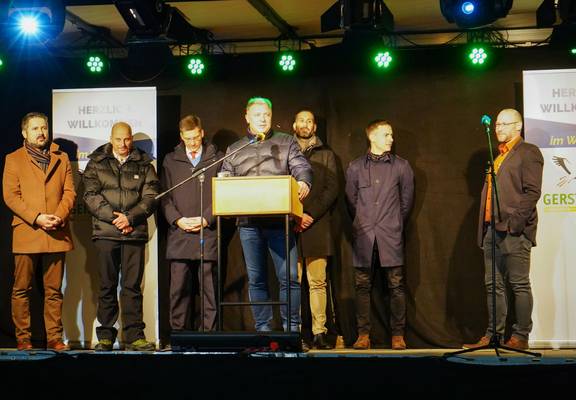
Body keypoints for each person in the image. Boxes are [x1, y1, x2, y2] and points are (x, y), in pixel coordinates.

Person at [221, 97, 312, 333]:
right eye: (257, 115)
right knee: (256, 279)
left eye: (266, 115)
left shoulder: (286, 142)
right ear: (247, 117)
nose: (262, 119)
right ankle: (263, 330)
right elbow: (225, 177)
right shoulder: (235, 148)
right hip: (248, 224)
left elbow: (301, 167)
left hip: (279, 222)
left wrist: (303, 181)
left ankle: (291, 330)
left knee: (289, 277)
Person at [464, 108, 543, 350]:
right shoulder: (498, 156)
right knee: (493, 285)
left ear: (518, 126)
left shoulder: (528, 152)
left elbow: (532, 192)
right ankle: (493, 335)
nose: (498, 128)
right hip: (492, 229)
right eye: (497, 124)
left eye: (504, 124)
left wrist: (515, 224)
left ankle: (520, 336)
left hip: (514, 230)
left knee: (518, 284)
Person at [83, 121, 159, 351]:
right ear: (111, 139)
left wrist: (130, 219)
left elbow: (151, 197)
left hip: (134, 233)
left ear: (131, 139)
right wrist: (116, 219)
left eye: (127, 139)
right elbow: (90, 196)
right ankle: (106, 336)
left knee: (132, 287)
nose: (123, 144)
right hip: (106, 233)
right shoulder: (96, 162)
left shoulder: (145, 163)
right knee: (107, 285)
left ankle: (135, 336)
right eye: (118, 139)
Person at [3, 112, 76, 351]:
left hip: (56, 230)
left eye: (43, 127)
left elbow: (69, 192)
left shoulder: (61, 157)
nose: (41, 132)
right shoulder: (13, 159)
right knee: (21, 289)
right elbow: (11, 196)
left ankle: (54, 338)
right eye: (35, 129)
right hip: (28, 230)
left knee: (54, 290)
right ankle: (23, 338)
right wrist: (37, 218)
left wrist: (59, 216)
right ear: (24, 133)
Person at [345, 119, 414, 350]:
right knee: (362, 285)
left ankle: (398, 335)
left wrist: (393, 223)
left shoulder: (401, 166)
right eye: (386, 135)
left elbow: (406, 202)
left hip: (390, 234)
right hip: (364, 235)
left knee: (396, 285)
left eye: (391, 135)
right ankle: (363, 334)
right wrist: (364, 221)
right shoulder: (355, 167)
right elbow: (351, 200)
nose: (391, 139)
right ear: (372, 137)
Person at [160, 115, 221, 333]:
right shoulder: (171, 160)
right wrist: (178, 220)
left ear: (202, 133)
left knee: (209, 290)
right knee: (178, 290)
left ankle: (209, 335)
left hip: (207, 231)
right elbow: (164, 196)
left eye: (196, 137)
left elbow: (222, 194)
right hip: (180, 232)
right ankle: (179, 335)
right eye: (188, 139)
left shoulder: (216, 158)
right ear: (181, 137)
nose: (193, 143)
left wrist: (206, 218)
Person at [292, 110, 339, 350]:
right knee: (292, 282)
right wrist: (295, 215)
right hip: (291, 225)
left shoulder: (327, 154)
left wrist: (310, 214)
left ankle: (319, 332)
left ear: (315, 127)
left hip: (317, 225)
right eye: (301, 120)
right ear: (294, 125)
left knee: (318, 282)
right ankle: (295, 333)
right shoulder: (287, 152)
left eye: (309, 121)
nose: (305, 124)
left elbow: (332, 188)